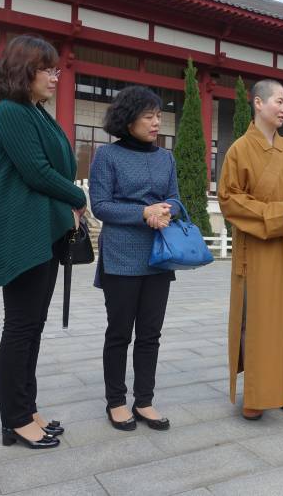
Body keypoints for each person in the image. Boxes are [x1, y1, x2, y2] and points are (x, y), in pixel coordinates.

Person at [0, 35, 87, 449]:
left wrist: (68, 201)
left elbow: (56, 165)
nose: (56, 77)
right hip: (22, 233)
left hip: (44, 232)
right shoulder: (11, 112)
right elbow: (38, 171)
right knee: (21, 326)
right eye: (48, 69)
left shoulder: (37, 113)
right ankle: (15, 419)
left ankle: (28, 407)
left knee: (32, 326)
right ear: (25, 70)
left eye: (57, 69)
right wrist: (78, 197)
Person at [218, 79, 283, 421]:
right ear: (258, 104)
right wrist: (279, 213)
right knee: (258, 319)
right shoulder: (239, 150)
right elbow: (230, 200)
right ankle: (258, 392)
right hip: (258, 248)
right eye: (278, 100)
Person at [88, 86, 180, 432]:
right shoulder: (107, 157)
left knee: (150, 334)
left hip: (158, 256)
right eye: (149, 116)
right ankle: (116, 401)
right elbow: (102, 206)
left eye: (158, 115)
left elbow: (175, 198)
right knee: (119, 333)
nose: (156, 122)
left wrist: (165, 211)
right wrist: (144, 212)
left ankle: (145, 400)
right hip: (121, 256)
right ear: (129, 120)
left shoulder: (165, 158)